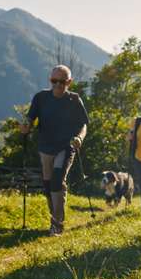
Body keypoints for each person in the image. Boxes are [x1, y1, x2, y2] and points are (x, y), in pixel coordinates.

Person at [20, 65, 89, 236]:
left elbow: (83, 124)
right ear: (50, 80)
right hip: (45, 147)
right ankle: (55, 215)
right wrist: (26, 126)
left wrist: (79, 138)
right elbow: (30, 117)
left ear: (69, 82)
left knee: (57, 181)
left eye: (62, 81)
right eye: (54, 81)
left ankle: (57, 223)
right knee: (48, 185)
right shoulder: (41, 98)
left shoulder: (74, 99)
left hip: (66, 146)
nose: (58, 84)